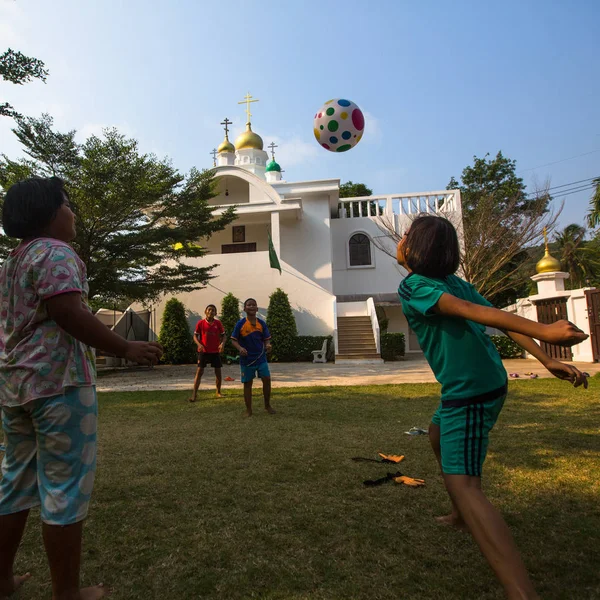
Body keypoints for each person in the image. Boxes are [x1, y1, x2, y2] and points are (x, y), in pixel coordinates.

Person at [396, 215, 588, 600]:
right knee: (436, 434)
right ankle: (460, 515)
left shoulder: (415, 285)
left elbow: (486, 315)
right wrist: (547, 357)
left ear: (419, 247)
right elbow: (501, 319)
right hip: (478, 384)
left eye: (406, 236)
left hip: (469, 392)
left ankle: (521, 592)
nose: (400, 241)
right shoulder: (448, 283)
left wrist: (545, 339)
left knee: (465, 485)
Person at [0, 177, 163, 600]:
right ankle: (67, 594)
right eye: (68, 205)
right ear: (51, 213)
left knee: (14, 483)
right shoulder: (56, 253)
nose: (73, 213)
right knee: (64, 488)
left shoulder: (12, 262)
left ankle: (1, 578)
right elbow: (69, 312)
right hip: (58, 386)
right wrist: (125, 346)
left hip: (15, 388)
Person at [231, 299, 275, 417]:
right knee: (247, 384)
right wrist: (240, 348)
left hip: (261, 358)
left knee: (266, 379)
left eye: (254, 305)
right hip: (246, 361)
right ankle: (248, 410)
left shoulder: (262, 323)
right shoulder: (240, 324)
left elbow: (267, 339)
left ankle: (267, 406)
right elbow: (233, 340)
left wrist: (268, 345)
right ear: (244, 309)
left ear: (257, 309)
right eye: (249, 305)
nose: (251, 306)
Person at [189, 304, 227, 402]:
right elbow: (195, 336)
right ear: (205, 311)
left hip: (215, 352)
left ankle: (218, 392)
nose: (211, 311)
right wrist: (199, 344)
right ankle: (194, 394)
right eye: (209, 310)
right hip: (203, 351)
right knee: (199, 371)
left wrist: (222, 344)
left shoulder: (218, 323)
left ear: (215, 313)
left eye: (213, 310)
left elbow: (224, 336)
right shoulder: (200, 323)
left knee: (218, 372)